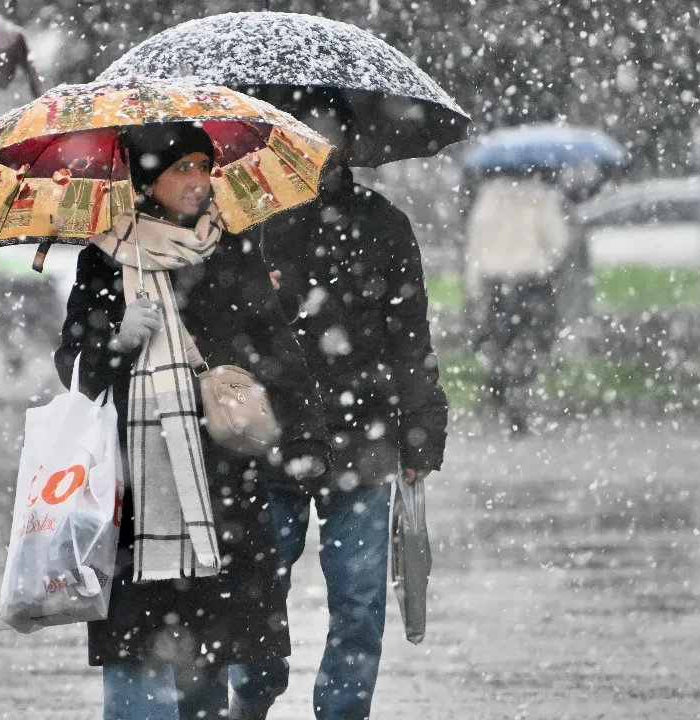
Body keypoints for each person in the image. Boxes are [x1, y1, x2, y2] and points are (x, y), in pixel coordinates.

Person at [56, 121, 330, 720]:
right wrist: (116, 341)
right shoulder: (103, 260)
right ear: (148, 178)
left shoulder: (231, 246)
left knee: (213, 646)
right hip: (139, 487)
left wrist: (305, 436)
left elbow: (277, 346)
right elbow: (73, 370)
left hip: (222, 478)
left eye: (205, 167)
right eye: (183, 167)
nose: (199, 181)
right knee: (140, 652)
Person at [230, 92, 450, 720]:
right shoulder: (246, 223)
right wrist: (257, 295)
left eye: (327, 132)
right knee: (255, 592)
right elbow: (219, 329)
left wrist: (421, 429)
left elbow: (410, 337)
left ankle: (342, 712)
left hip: (363, 437)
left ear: (350, 140)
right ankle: (252, 693)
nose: (317, 146)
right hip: (267, 438)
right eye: (303, 132)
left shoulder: (384, 225)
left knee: (358, 602)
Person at [464, 171, 571, 434]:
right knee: (531, 341)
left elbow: (476, 244)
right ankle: (517, 393)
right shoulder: (543, 198)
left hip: (496, 282)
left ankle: (500, 383)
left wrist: (474, 283)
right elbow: (558, 242)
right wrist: (546, 260)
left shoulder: (489, 198)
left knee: (500, 339)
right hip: (531, 281)